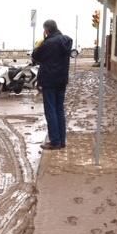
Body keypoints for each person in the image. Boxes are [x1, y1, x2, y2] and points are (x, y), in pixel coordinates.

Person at [31, 19, 73, 150]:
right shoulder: (66, 41)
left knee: (51, 110)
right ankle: (61, 140)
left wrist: (41, 42)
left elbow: (35, 56)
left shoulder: (48, 43)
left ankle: (55, 141)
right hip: (61, 80)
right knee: (60, 109)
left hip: (49, 81)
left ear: (47, 30)